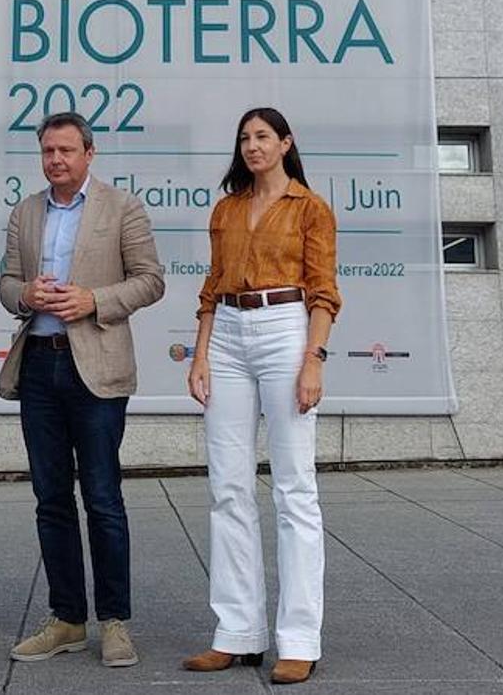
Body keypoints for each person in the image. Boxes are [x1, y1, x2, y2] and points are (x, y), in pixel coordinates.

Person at [0, 112, 164, 668]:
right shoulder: (26, 211)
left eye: (66, 150)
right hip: (40, 369)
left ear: (89, 154)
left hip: (96, 367)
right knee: (50, 499)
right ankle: (67, 618)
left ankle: (114, 621)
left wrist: (94, 300)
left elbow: (150, 280)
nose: (56, 160)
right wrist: (28, 293)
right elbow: (5, 284)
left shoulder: (122, 208)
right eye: (48, 151)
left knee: (103, 498)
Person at [183, 108, 341, 685]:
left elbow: (324, 292)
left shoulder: (310, 207)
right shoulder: (226, 208)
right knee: (227, 485)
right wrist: (200, 355)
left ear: (285, 143)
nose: (252, 146)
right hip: (226, 331)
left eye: (263, 137)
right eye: (245, 138)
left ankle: (299, 638)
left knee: (294, 487)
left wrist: (312, 360)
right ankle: (238, 633)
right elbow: (210, 287)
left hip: (285, 329)